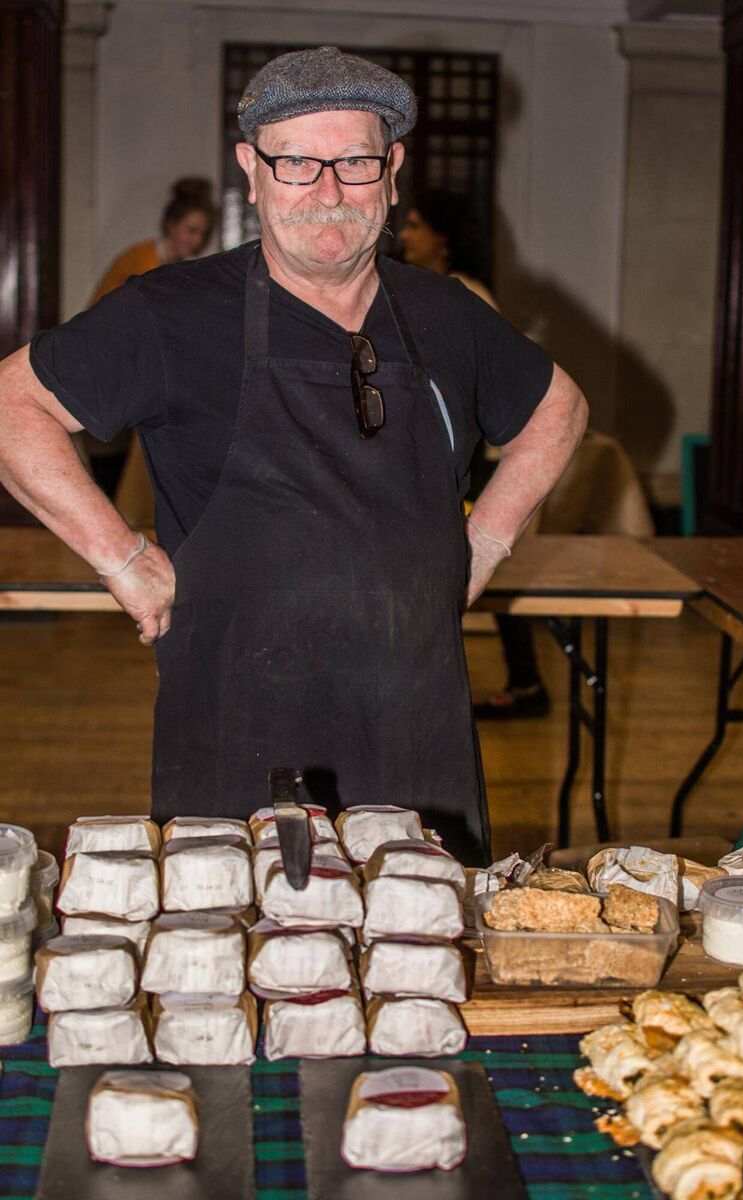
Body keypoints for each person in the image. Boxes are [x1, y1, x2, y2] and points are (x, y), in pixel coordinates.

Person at [0, 46, 587, 865]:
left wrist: (483, 540)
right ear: (251, 168)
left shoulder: (444, 313)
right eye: (296, 163)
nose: (326, 192)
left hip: (417, 728)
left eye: (353, 162)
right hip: (238, 731)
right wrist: (123, 556)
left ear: (392, 171)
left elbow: (557, 407)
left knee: (418, 961)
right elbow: (11, 405)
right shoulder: (171, 313)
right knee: (237, 962)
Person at [400, 189, 550, 719]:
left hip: (473, 464)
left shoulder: (465, 296)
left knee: (459, 574)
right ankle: (520, 680)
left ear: (441, 236)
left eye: (416, 223)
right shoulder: (434, 290)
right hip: (458, 461)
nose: (408, 234)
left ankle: (520, 682)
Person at [85, 179, 216, 498]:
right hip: (106, 373)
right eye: (190, 229)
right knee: (110, 472)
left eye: (201, 233)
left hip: (131, 378)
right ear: (171, 225)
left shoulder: (175, 270)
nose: (196, 241)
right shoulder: (143, 261)